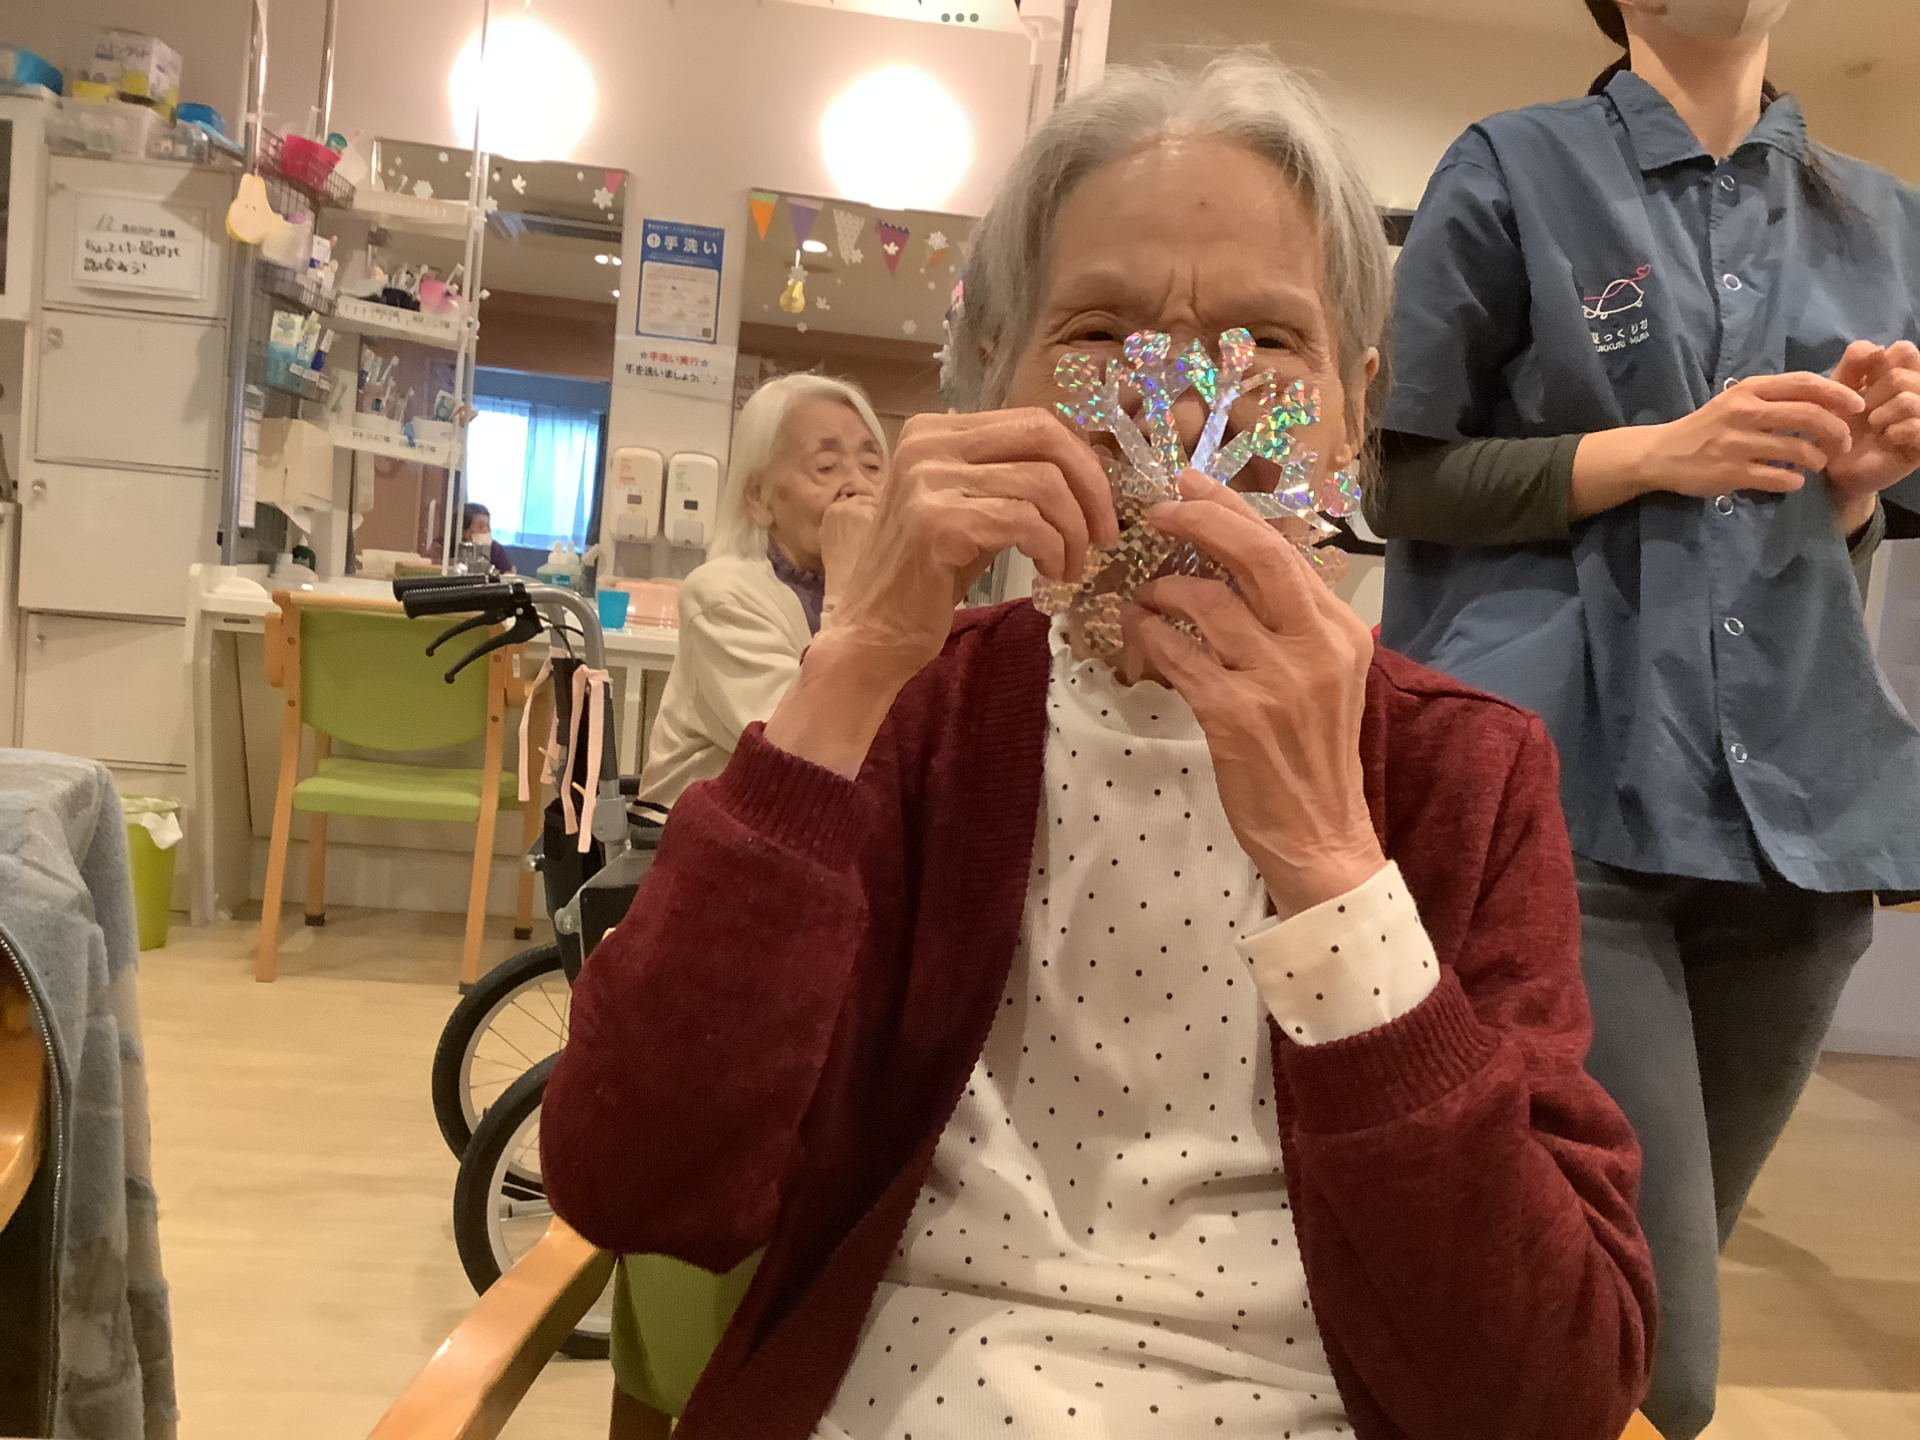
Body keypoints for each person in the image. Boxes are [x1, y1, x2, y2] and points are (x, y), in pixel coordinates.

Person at [545, 54, 1655, 1440]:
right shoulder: (908, 720)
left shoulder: (1462, 774)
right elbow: (636, 1182)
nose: (1181, 410)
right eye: (1100, 333)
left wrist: (1335, 868)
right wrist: (846, 677)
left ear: (1356, 406)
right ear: (992, 379)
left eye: (1266, 343)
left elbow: (1548, 1392)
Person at [1368, 3, 1920, 1436]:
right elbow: (1403, 479)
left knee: (1602, 1314)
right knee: (1652, 1363)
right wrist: (1659, 452)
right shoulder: (1512, 165)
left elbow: (1831, 535)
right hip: (1566, 802)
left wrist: (1855, 485)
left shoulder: (1887, 222)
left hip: (1797, 840)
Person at [637, 373, 889, 807]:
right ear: (758, 497)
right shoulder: (720, 596)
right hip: (712, 836)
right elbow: (809, 759)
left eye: (872, 466)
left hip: (823, 832)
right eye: (826, 467)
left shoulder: (893, 597)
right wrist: (850, 585)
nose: (859, 486)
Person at [461, 502, 515, 575]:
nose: (486, 530)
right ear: (464, 531)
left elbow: (508, 574)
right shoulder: (451, 548)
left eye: (488, 526)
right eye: (481, 527)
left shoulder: (496, 550)